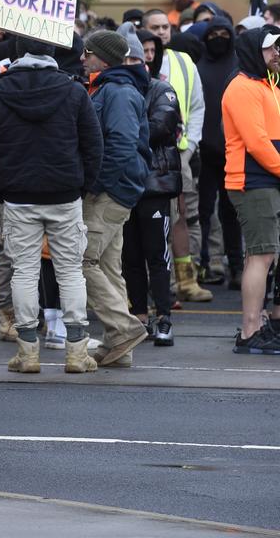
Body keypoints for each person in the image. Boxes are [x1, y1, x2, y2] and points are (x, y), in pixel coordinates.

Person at [0, 37, 103, 374]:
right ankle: (76, 352)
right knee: (70, 271)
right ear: (53, 53)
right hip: (64, 193)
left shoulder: (2, 92)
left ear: (18, 53)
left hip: (19, 194)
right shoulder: (73, 91)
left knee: (24, 270)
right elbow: (93, 146)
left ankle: (28, 352)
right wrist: (82, 186)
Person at [82, 30, 153, 367]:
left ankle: (125, 329)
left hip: (110, 192)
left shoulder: (118, 91)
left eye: (88, 53)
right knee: (109, 267)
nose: (83, 58)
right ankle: (118, 345)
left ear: (104, 58)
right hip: (117, 189)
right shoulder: (114, 88)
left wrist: (97, 185)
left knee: (83, 263)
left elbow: (122, 144)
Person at [139, 11, 210, 300]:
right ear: (143, 31)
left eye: (165, 27)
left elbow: (197, 108)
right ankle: (151, 285)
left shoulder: (183, 61)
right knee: (143, 221)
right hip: (142, 155)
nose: (162, 32)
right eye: (155, 28)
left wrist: (189, 148)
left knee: (181, 216)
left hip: (177, 155)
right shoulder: (133, 61)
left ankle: (186, 280)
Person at [222, 27, 280, 355]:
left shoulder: (266, 84)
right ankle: (250, 331)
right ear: (253, 51)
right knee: (261, 255)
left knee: (262, 254)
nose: (276, 54)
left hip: (265, 180)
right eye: (270, 49)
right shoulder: (242, 87)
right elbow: (257, 143)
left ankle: (256, 325)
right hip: (252, 181)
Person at [122, 31, 182, 346]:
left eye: (139, 56)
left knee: (157, 256)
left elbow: (160, 127)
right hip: (125, 185)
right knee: (130, 257)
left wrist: (122, 128)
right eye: (129, 58)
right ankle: (141, 317)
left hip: (155, 185)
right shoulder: (115, 90)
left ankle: (164, 318)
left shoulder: (162, 90)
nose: (136, 62)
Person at [197, 15, 244, 288]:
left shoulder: (238, 64)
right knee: (203, 212)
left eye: (223, 33)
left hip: (233, 151)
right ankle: (206, 264)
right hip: (204, 152)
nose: (218, 38)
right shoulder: (198, 64)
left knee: (231, 213)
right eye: (213, 33)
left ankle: (236, 266)